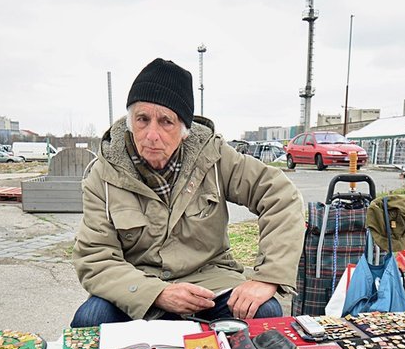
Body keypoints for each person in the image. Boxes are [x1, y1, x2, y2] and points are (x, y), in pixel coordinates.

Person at [71, 58, 305, 327]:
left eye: (166, 122)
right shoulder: (104, 174)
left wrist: (268, 277)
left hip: (211, 283)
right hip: (137, 286)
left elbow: (280, 196)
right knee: (89, 320)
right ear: (129, 122)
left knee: (264, 314)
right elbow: (96, 257)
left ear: (184, 131)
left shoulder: (213, 157)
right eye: (142, 119)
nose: (151, 134)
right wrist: (157, 293)